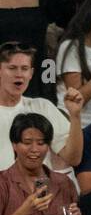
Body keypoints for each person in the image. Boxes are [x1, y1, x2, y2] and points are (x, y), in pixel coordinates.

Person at [0, 44, 83, 174]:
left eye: (25, 69)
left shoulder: (43, 107)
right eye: (12, 68)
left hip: (41, 189)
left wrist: (75, 115)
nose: (19, 74)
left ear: (31, 73)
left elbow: (73, 158)